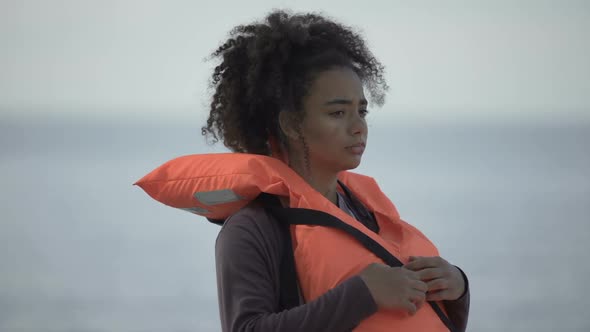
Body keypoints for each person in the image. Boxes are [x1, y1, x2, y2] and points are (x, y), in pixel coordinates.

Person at [201, 10, 470, 332]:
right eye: (338, 112)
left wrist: (456, 286)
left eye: (362, 111)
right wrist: (362, 294)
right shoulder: (253, 229)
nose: (358, 127)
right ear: (290, 123)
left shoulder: (362, 210)